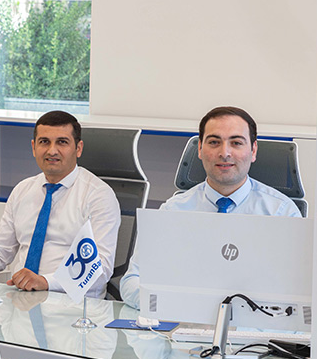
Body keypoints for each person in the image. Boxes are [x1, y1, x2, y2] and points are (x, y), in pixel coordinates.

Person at [119, 106, 301, 309]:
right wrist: (178, 305)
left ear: (253, 150)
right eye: (214, 142)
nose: (224, 153)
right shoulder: (173, 212)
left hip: (256, 325)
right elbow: (132, 281)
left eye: (236, 143)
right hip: (184, 322)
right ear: (199, 149)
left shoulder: (282, 213)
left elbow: (299, 293)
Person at [0, 111, 121, 298]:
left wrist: (45, 282)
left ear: (78, 149)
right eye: (44, 142)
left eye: (62, 142)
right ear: (34, 147)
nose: (52, 151)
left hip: (72, 304)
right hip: (21, 298)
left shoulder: (98, 196)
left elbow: (100, 268)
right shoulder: (23, 190)